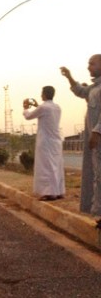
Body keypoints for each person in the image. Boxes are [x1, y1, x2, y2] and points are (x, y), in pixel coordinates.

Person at [60, 55, 101, 219]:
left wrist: (96, 132)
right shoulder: (94, 88)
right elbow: (80, 91)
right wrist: (69, 77)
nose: (88, 67)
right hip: (95, 142)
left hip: (98, 139)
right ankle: (97, 210)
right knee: (96, 176)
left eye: (92, 64)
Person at [22, 86, 64, 201]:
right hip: (56, 141)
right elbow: (45, 113)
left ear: (44, 94)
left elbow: (29, 116)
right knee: (56, 166)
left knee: (46, 167)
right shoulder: (57, 107)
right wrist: (37, 106)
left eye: (42, 93)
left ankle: (49, 193)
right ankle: (58, 191)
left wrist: (25, 108)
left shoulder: (43, 107)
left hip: (45, 141)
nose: (41, 95)